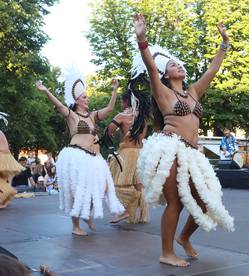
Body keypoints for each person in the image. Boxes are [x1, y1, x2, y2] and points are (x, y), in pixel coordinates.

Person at [133, 13, 234, 267]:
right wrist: (142, 38)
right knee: (176, 202)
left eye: (179, 63)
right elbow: (150, 67)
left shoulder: (193, 92)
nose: (178, 65)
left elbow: (213, 69)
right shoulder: (163, 91)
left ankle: (184, 237)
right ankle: (166, 252)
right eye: (172, 64)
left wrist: (224, 43)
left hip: (192, 152)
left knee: (204, 199)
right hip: (171, 148)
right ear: (166, 74)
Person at [35, 75, 125, 236]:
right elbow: (59, 105)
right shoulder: (71, 115)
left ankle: (86, 214)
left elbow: (110, 109)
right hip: (76, 156)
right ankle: (76, 226)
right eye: (84, 97)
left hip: (93, 158)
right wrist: (46, 91)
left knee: (103, 187)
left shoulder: (92, 116)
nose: (87, 99)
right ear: (77, 100)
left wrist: (114, 90)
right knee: (77, 192)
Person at [107, 84, 150, 224]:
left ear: (126, 101)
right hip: (141, 153)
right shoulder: (142, 118)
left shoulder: (122, 116)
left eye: (121, 101)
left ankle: (125, 212)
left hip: (126, 153)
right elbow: (142, 137)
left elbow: (109, 131)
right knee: (139, 185)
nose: (120, 104)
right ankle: (142, 216)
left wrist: (112, 138)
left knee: (117, 185)